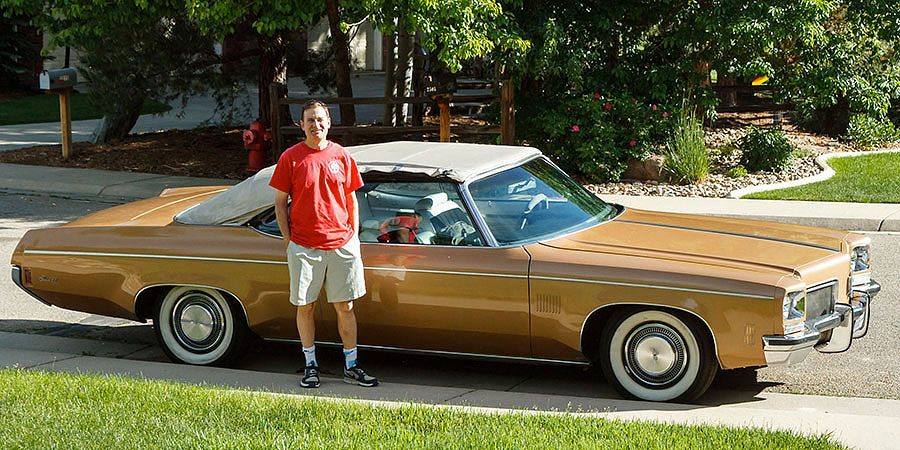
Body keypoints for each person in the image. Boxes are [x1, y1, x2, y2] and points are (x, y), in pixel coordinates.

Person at [269, 100, 378, 388]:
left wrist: (353, 237)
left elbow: (351, 199)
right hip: (304, 246)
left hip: (342, 245)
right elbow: (280, 204)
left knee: (346, 306)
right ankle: (310, 365)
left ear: (328, 122)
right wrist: (289, 242)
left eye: (320, 119)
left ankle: (351, 366)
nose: (315, 125)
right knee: (305, 306)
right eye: (309, 120)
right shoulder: (290, 158)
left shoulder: (341, 156)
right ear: (301, 125)